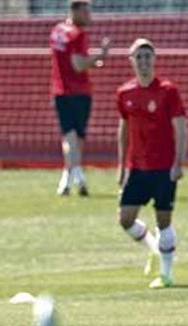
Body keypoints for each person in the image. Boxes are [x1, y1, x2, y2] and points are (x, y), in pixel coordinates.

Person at [116, 39, 187, 289]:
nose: (144, 61)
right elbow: (124, 130)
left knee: (164, 221)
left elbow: (180, 128)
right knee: (125, 219)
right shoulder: (124, 93)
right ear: (131, 61)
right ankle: (153, 248)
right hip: (137, 167)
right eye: (139, 57)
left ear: (154, 60)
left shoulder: (168, 91)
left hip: (163, 168)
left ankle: (166, 274)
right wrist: (121, 166)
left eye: (148, 56)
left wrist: (178, 163)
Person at [50, 0, 110, 196]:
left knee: (71, 139)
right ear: (75, 11)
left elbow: (70, 61)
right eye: (85, 12)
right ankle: (79, 176)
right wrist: (100, 55)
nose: (89, 16)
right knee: (76, 138)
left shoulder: (57, 30)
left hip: (60, 90)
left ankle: (66, 180)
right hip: (78, 92)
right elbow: (78, 65)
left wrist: (92, 62)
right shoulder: (77, 34)